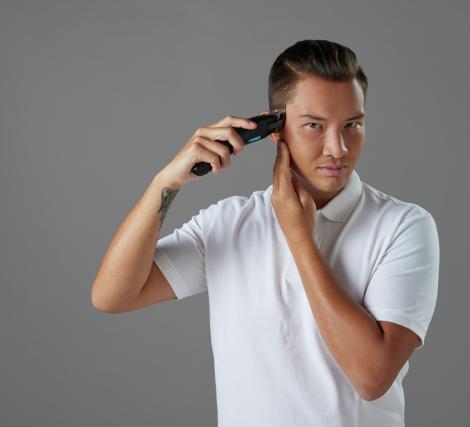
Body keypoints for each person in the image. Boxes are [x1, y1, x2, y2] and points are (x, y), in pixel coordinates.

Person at [91, 39, 440, 427]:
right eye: (314, 125)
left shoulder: (404, 226)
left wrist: (299, 238)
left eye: (352, 125)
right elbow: (112, 296)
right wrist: (165, 182)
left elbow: (371, 377)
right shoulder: (229, 223)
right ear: (274, 129)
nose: (338, 148)